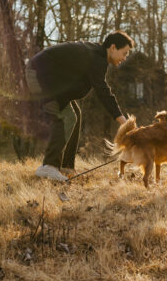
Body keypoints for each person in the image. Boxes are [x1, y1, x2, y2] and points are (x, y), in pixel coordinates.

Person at [27, 31, 133, 181]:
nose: (125, 58)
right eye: (124, 53)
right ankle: (49, 167)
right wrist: (124, 122)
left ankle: (66, 167)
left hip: (51, 80)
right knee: (66, 117)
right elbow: (103, 92)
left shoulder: (97, 55)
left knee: (75, 114)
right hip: (39, 75)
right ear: (113, 47)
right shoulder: (96, 58)